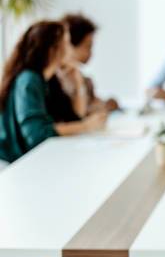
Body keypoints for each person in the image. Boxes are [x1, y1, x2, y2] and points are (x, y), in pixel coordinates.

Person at [0, 21, 107, 164]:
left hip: (31, 160)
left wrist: (78, 81)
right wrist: (86, 125)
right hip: (13, 165)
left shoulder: (46, 81)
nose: (70, 50)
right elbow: (37, 135)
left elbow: (73, 118)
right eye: (67, 43)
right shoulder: (29, 80)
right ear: (53, 50)